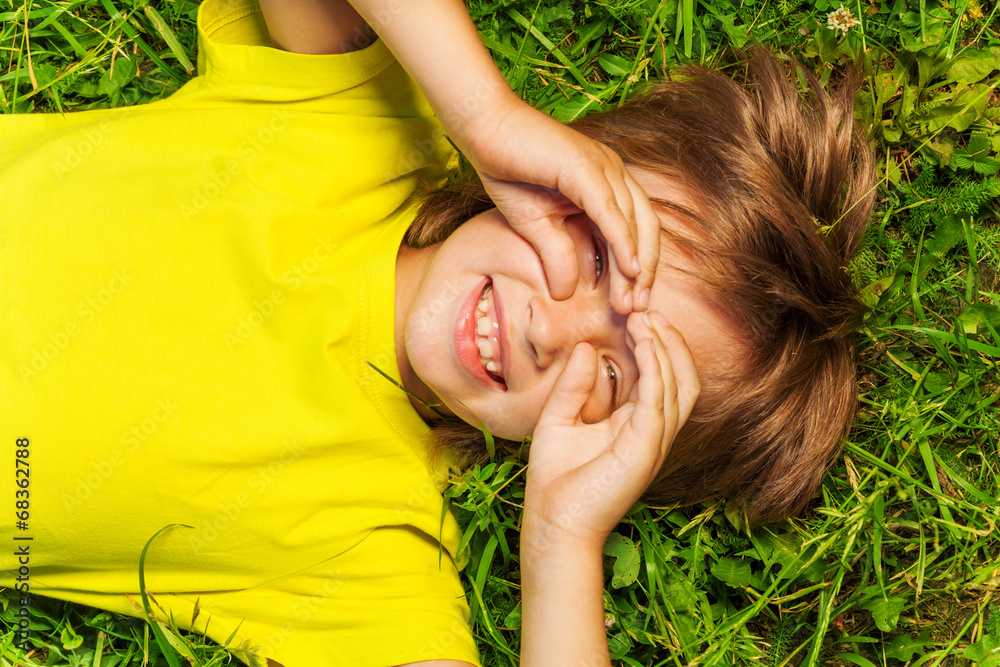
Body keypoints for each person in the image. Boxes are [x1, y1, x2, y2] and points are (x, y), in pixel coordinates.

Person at [0, 0, 874, 666]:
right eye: (603, 257)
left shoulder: (375, 554)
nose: (550, 328)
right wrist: (486, 113)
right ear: (575, 161)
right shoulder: (357, 116)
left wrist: (563, 539)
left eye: (613, 378)